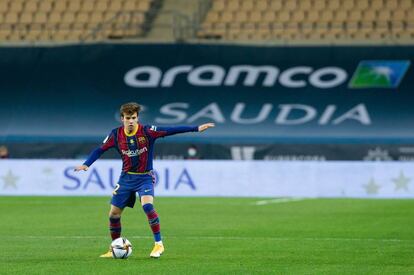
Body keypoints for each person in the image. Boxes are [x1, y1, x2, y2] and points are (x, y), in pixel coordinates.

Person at [74, 102, 214, 258]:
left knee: (147, 206)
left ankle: (158, 245)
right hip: (126, 177)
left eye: (134, 117)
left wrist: (195, 128)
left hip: (145, 177)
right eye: (128, 118)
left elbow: (170, 130)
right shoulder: (115, 135)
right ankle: (114, 248)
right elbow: (99, 149)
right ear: (122, 119)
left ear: (137, 117)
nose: (131, 121)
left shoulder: (147, 131)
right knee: (113, 214)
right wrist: (86, 164)